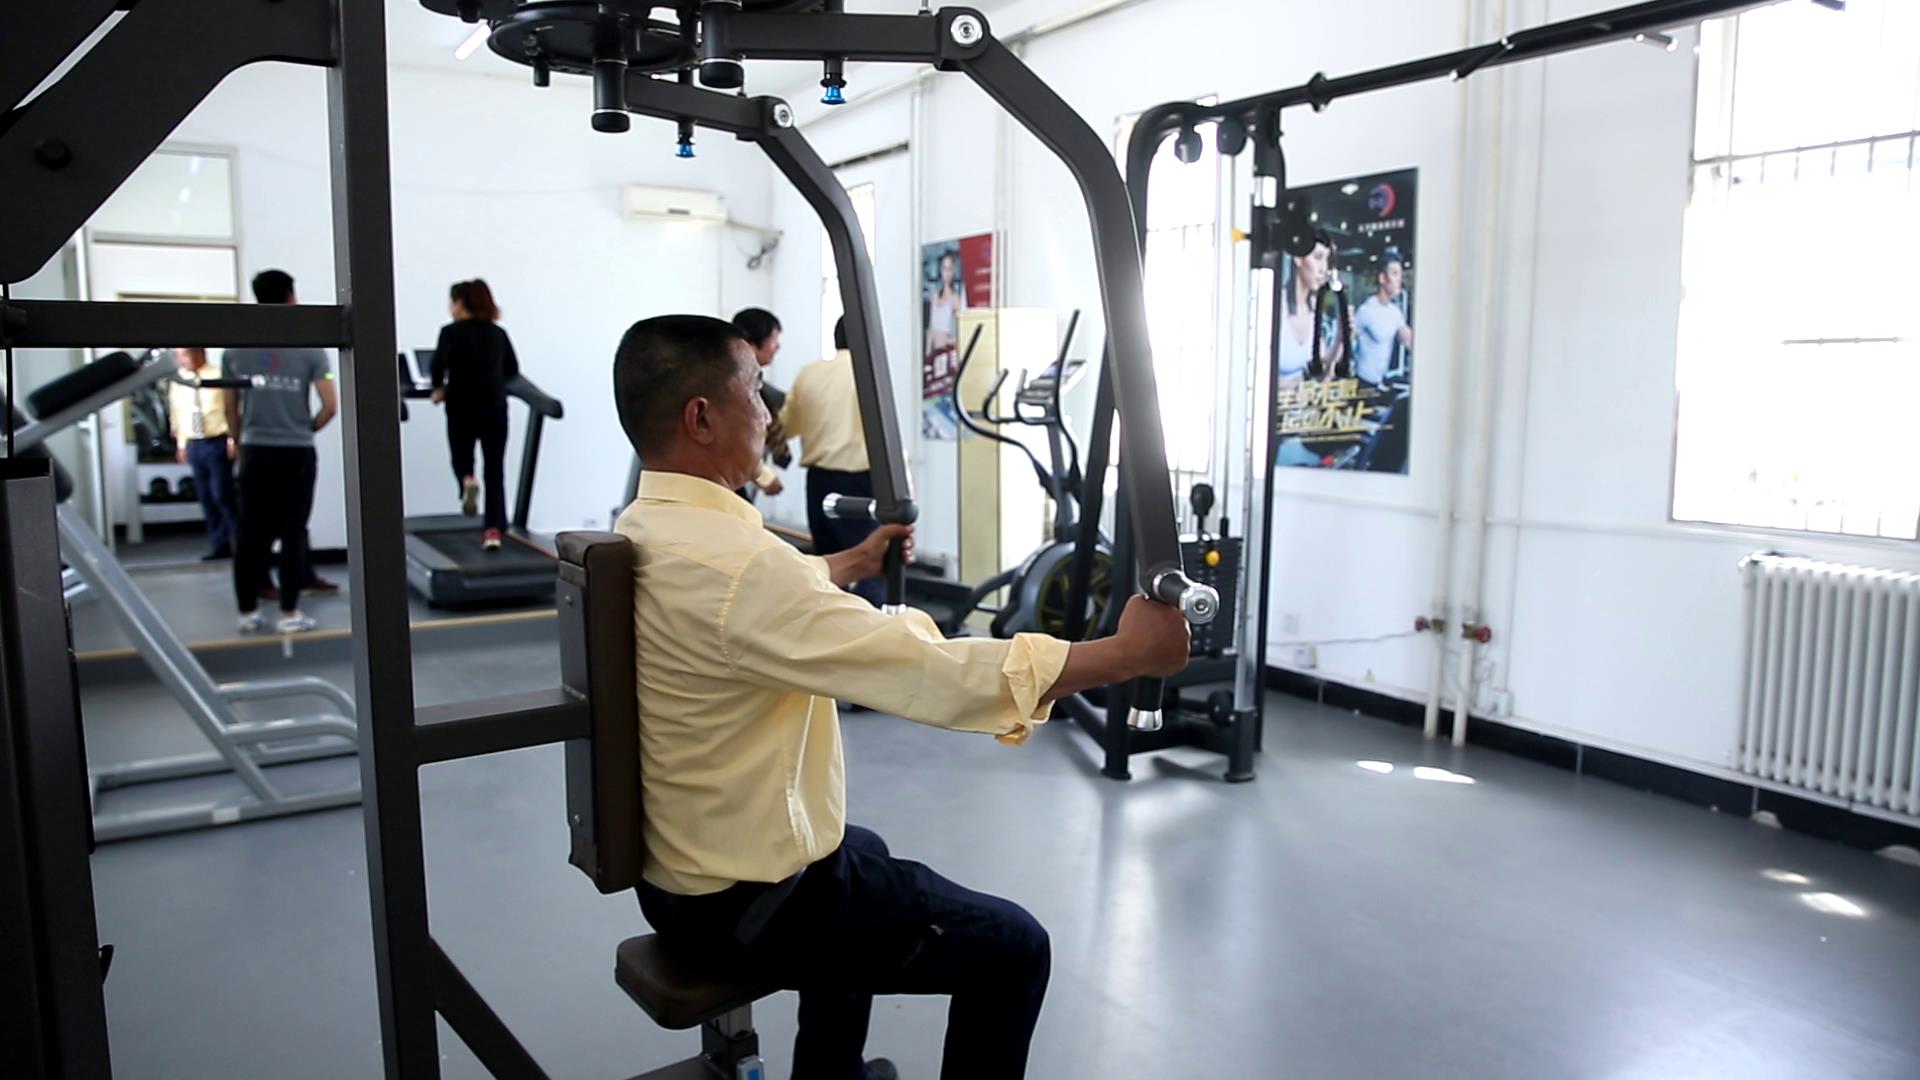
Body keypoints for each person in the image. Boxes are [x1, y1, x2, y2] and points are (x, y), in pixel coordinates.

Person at [609, 314, 1191, 1080]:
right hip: (749, 905)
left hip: (679, 884)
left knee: (867, 850)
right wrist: (1123, 655)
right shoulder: (743, 570)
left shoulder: (649, 527)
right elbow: (931, 672)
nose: (767, 410)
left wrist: (848, 563)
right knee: (1015, 950)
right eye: (754, 389)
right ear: (702, 418)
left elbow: (740, 605)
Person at [222, 269, 338, 634]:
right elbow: (330, 405)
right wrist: (306, 428)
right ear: (290, 296)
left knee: (248, 535)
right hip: (296, 452)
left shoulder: (234, 349)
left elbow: (229, 408)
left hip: (255, 450)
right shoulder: (311, 348)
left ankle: (247, 613)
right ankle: (289, 614)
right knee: (293, 532)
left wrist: (241, 441)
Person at [777, 317, 880, 600]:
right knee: (868, 561)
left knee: (828, 564)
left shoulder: (809, 374)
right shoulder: (869, 373)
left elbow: (786, 426)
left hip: (819, 480)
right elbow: (885, 433)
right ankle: (871, 623)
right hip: (861, 482)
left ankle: (830, 621)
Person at [430, 280, 520, 551]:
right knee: (494, 469)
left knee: (461, 458)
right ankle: (492, 531)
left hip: (461, 406)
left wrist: (438, 388)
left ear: (460, 303)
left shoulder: (449, 333)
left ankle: (467, 481)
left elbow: (437, 365)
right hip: (494, 407)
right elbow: (512, 368)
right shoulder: (497, 334)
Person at [168, 347, 238, 560]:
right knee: (206, 497)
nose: (180, 360)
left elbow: (232, 408)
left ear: (199, 353)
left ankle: (240, 542)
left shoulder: (218, 375)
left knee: (222, 494)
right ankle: (219, 545)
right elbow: (177, 414)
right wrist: (181, 445)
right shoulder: (178, 380)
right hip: (194, 443)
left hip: (217, 440)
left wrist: (233, 439)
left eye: (184, 355)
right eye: (178, 356)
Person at [730, 307, 790, 501]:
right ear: (752, 341)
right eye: (774, 338)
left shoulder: (752, 380)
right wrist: (764, 476)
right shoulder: (733, 381)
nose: (778, 346)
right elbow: (731, 437)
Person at [1352, 252, 1412, 387]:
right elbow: (1345, 341)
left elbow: (1408, 339)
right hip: (1362, 383)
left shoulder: (1395, 312)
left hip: (1380, 382)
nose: (1399, 280)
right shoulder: (1366, 310)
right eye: (1395, 274)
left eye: (1400, 275)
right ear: (1382, 278)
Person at [923, 250, 966, 358]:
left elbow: (963, 330)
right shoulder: (935, 296)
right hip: (934, 352)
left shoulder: (955, 299)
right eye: (944, 268)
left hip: (946, 353)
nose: (946, 273)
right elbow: (931, 328)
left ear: (953, 271)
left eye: (949, 269)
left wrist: (950, 341)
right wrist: (927, 355)